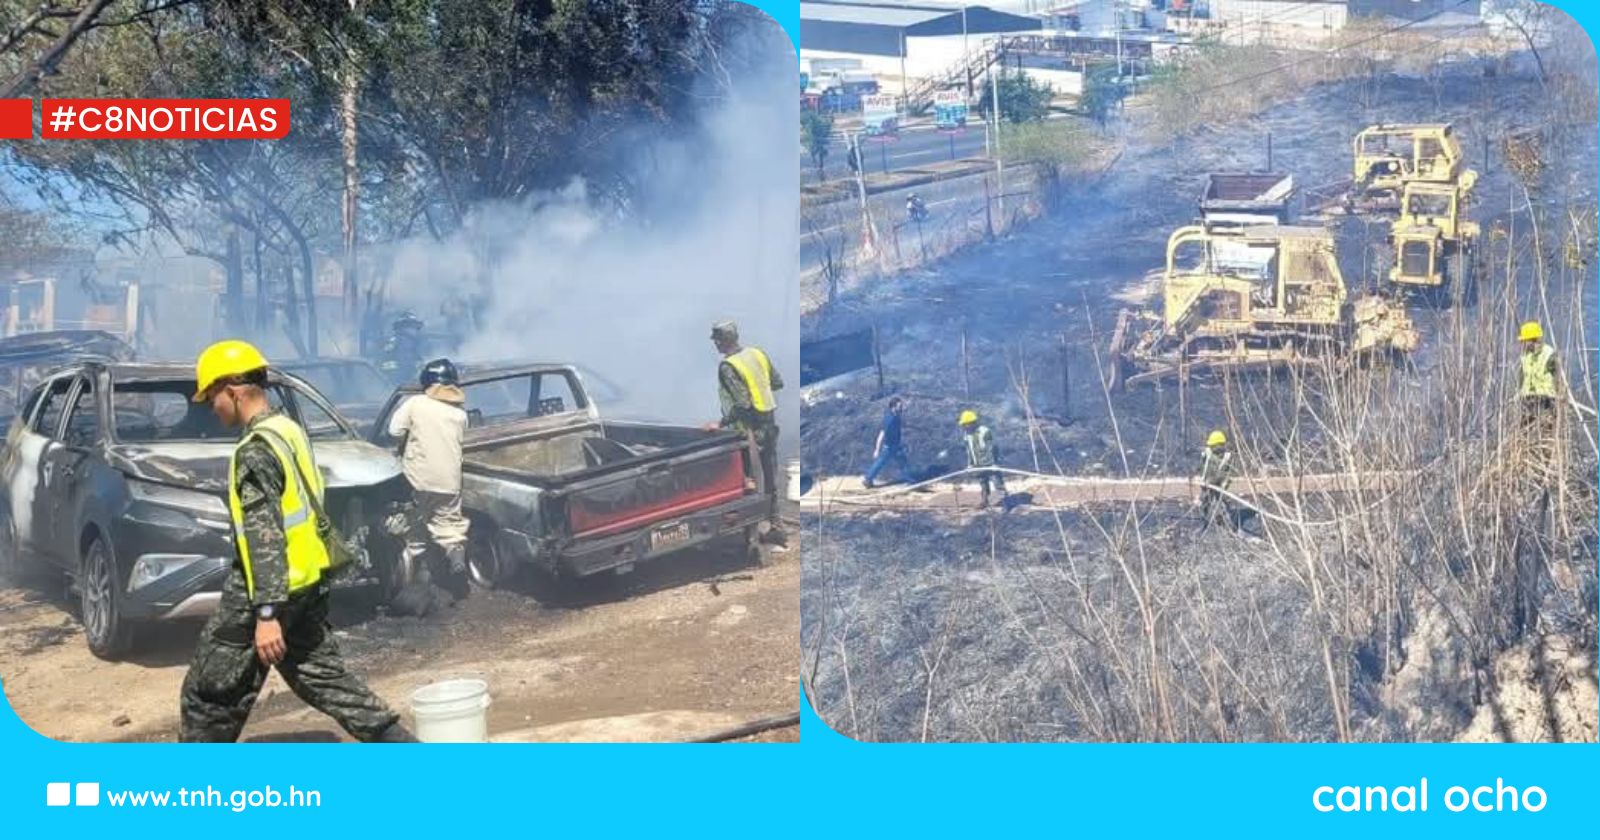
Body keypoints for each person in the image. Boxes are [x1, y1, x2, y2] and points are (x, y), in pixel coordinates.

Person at [180, 340, 413, 743]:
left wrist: (266, 615)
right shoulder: (287, 430)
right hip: (307, 584)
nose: (211, 408)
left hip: (268, 594)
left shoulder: (254, 452)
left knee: (209, 695)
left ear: (232, 391)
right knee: (326, 679)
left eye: (212, 397)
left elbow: (264, 536)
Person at [388, 358, 471, 588]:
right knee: (450, 525)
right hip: (450, 482)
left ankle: (420, 574)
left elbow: (394, 431)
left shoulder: (415, 403)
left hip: (418, 479)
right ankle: (455, 556)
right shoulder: (460, 414)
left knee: (415, 526)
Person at [710, 319, 787, 546]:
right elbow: (777, 382)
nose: (715, 345)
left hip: (747, 433)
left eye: (716, 340)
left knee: (747, 483)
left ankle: (750, 537)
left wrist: (720, 423)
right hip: (769, 426)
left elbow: (742, 403)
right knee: (771, 480)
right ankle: (777, 527)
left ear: (722, 341)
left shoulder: (728, 366)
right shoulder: (757, 353)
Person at [958, 409, 1006, 508]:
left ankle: (1005, 503)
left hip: (990, 464)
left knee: (997, 482)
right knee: (983, 483)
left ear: (971, 423)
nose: (964, 427)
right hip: (978, 464)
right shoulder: (967, 435)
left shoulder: (985, 432)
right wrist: (970, 464)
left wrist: (993, 463)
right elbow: (969, 451)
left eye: (965, 424)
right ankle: (985, 501)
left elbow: (991, 448)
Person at [1517, 320, 1559, 427]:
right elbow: (1522, 378)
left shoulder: (1549, 354)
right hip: (1527, 400)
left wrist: (1559, 396)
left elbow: (1558, 377)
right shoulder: (1525, 356)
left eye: (1524, 341)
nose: (1522, 344)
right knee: (1525, 432)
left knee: (1545, 430)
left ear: (1532, 340)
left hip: (1546, 400)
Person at [863, 396, 911, 488]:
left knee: (884, 462)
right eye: (899, 406)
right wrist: (877, 449)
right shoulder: (890, 419)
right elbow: (881, 434)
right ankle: (910, 481)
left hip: (895, 445)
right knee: (901, 463)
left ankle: (868, 479)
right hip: (890, 446)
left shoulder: (894, 415)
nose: (901, 408)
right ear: (893, 406)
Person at [1198, 429, 1237, 532]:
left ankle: (1229, 525)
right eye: (1211, 446)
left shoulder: (1228, 457)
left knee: (1223, 504)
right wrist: (1203, 479)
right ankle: (1203, 522)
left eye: (1214, 446)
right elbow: (1203, 467)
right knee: (1204, 502)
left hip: (1220, 484)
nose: (1212, 448)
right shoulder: (1208, 454)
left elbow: (1229, 472)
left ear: (1221, 445)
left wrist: (1225, 483)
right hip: (1208, 483)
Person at [378, 310, 428, 385]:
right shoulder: (403, 341)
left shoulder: (409, 342)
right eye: (412, 326)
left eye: (416, 327)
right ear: (404, 327)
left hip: (398, 380)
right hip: (397, 380)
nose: (415, 330)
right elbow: (405, 362)